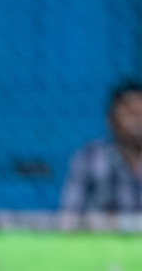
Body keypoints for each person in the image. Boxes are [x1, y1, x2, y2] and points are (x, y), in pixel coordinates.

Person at [61, 81, 142, 214]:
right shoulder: (89, 159)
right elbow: (70, 214)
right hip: (101, 234)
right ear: (111, 119)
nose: (138, 121)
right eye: (131, 113)